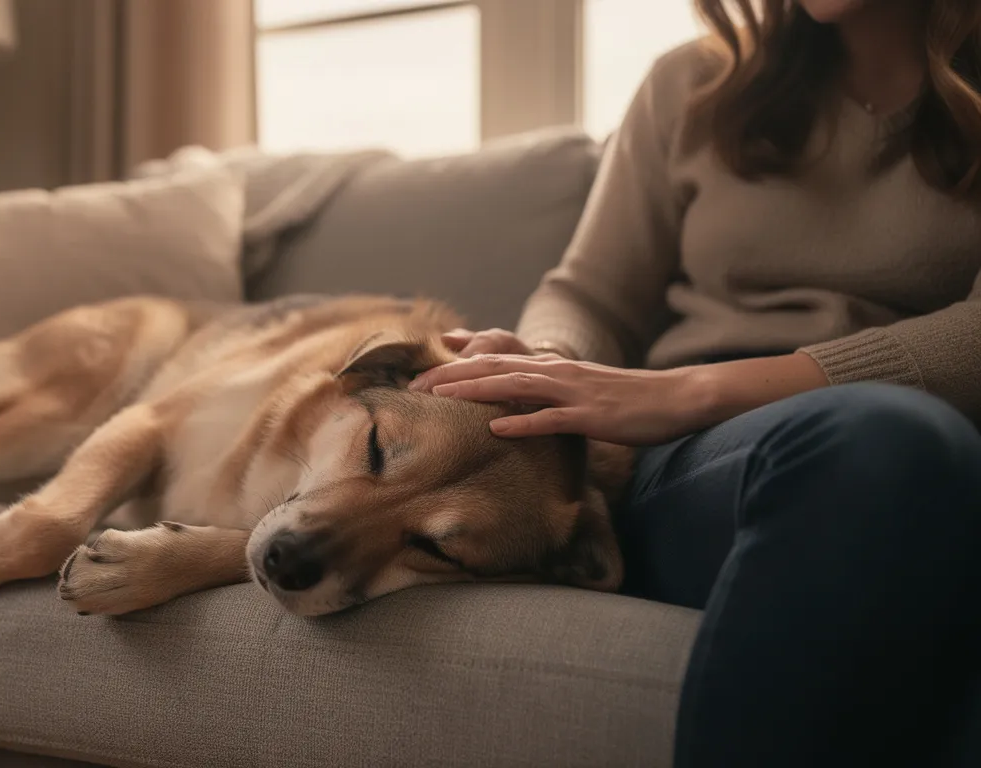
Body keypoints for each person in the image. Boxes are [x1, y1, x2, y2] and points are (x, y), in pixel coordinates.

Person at [408, 1, 981, 766]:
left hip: (897, 451)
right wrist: (550, 362)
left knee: (901, 448)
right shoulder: (694, 82)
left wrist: (691, 391)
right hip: (704, 467)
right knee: (884, 446)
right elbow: (588, 294)